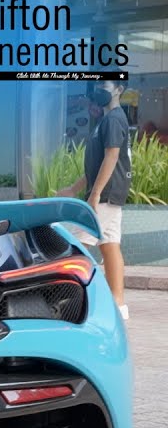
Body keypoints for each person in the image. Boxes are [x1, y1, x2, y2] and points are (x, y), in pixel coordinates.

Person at [58, 78, 132, 320]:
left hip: (105, 195)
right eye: (97, 87)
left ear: (119, 90)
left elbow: (112, 157)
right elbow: (97, 164)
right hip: (110, 194)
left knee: (76, 248)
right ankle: (118, 306)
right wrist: (73, 188)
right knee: (110, 247)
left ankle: (66, 303)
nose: (99, 91)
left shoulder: (114, 119)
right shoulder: (106, 120)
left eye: (105, 87)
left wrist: (95, 193)